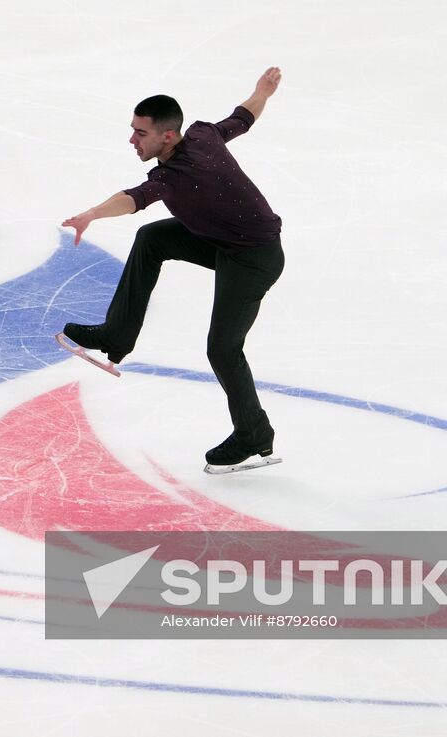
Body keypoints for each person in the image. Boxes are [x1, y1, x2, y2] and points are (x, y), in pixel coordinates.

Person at [59, 67, 286, 471]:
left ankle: (254, 434)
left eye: (140, 133)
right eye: (132, 130)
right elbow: (242, 118)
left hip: (253, 257)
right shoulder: (202, 133)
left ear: (168, 136)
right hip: (223, 241)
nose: (132, 140)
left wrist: (92, 213)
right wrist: (261, 92)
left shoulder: (175, 176)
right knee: (154, 238)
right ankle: (116, 335)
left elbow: (134, 198)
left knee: (223, 348)